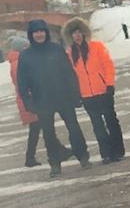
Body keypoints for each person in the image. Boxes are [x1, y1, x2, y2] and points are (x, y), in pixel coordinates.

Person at [17, 20, 91, 178]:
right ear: (31, 35)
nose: (39, 34)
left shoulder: (56, 49)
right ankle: (55, 163)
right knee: (49, 133)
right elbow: (22, 82)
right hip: (42, 100)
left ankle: (83, 156)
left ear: (46, 32)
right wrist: (28, 103)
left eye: (42, 31)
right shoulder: (26, 56)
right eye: (36, 32)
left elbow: (69, 73)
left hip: (63, 96)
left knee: (74, 127)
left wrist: (75, 94)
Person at [62, 18, 124, 164]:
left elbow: (107, 66)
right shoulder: (69, 54)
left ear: (84, 33)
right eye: (74, 33)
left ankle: (117, 150)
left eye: (79, 32)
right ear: (70, 36)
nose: (77, 35)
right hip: (86, 95)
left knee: (111, 121)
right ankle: (106, 153)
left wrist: (109, 84)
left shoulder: (96, 46)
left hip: (103, 91)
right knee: (97, 125)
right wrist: (75, 93)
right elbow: (70, 76)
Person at [7, 36, 42, 167]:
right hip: (28, 101)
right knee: (38, 126)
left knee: (39, 126)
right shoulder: (18, 63)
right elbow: (23, 84)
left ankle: (31, 157)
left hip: (28, 100)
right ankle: (30, 158)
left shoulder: (18, 61)